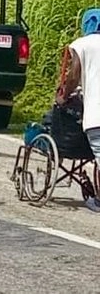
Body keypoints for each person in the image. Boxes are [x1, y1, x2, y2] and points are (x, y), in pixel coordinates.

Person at [58, 24, 100, 211]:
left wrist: (64, 96)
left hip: (96, 115)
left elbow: (74, 75)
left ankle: (98, 201)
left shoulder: (82, 44)